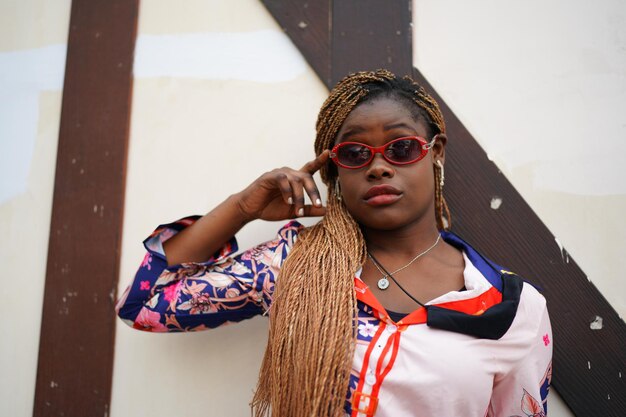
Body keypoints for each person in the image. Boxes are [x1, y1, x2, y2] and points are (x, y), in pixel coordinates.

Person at [116, 70, 552, 417]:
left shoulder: (511, 307)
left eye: (401, 148)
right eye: (355, 154)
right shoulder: (293, 264)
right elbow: (143, 306)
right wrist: (242, 207)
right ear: (334, 170)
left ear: (435, 151)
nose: (379, 166)